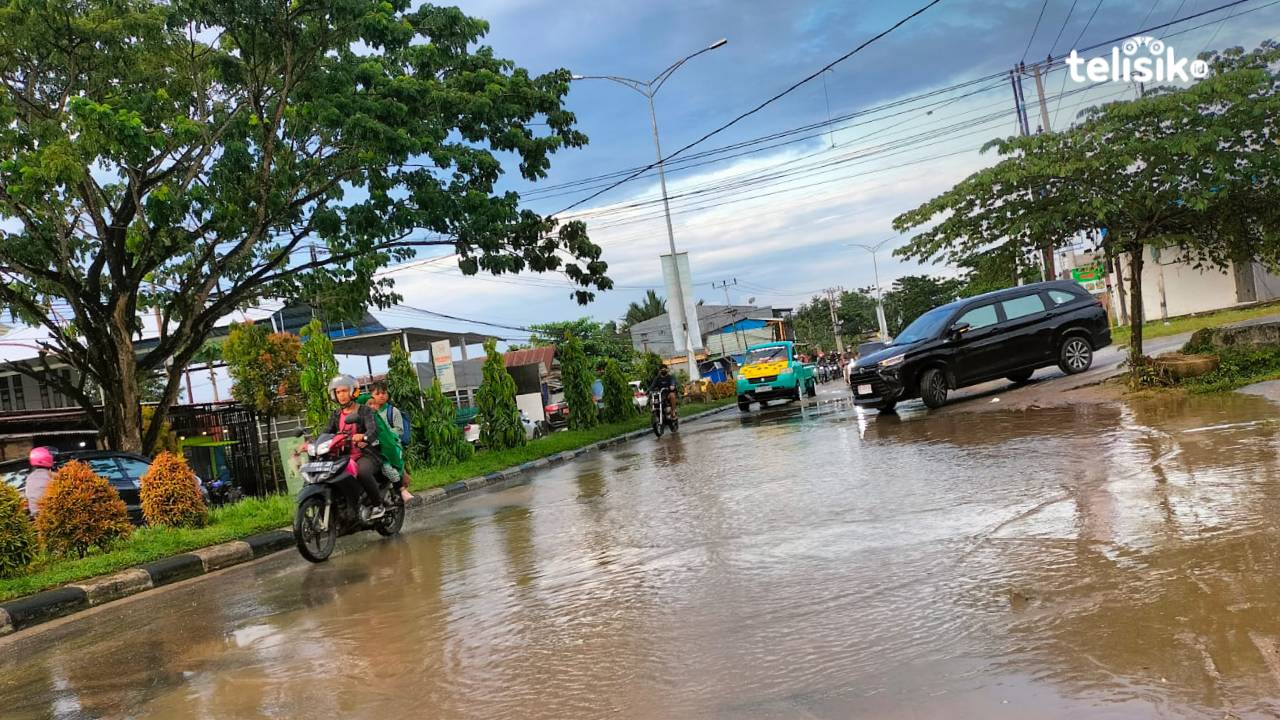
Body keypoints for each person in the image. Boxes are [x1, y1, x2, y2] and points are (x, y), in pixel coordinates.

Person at [320, 375, 391, 520]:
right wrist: (310, 443)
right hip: (343, 458)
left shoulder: (365, 410)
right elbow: (326, 432)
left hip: (365, 454)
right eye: (338, 392)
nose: (341, 395)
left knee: (363, 472)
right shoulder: (336, 415)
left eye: (344, 391)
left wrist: (363, 436)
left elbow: (373, 430)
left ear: (353, 392)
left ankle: (378, 505)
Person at [365, 381, 414, 503]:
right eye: (377, 393)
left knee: (387, 465)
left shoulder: (393, 411)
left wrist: (386, 434)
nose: (381, 396)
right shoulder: (367, 412)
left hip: (391, 445)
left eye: (384, 393)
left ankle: (401, 487)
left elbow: (399, 430)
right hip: (373, 444)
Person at [24, 446, 55, 517]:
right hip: (50, 516)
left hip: (35, 517)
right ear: (49, 459)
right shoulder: (52, 476)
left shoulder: (30, 477)